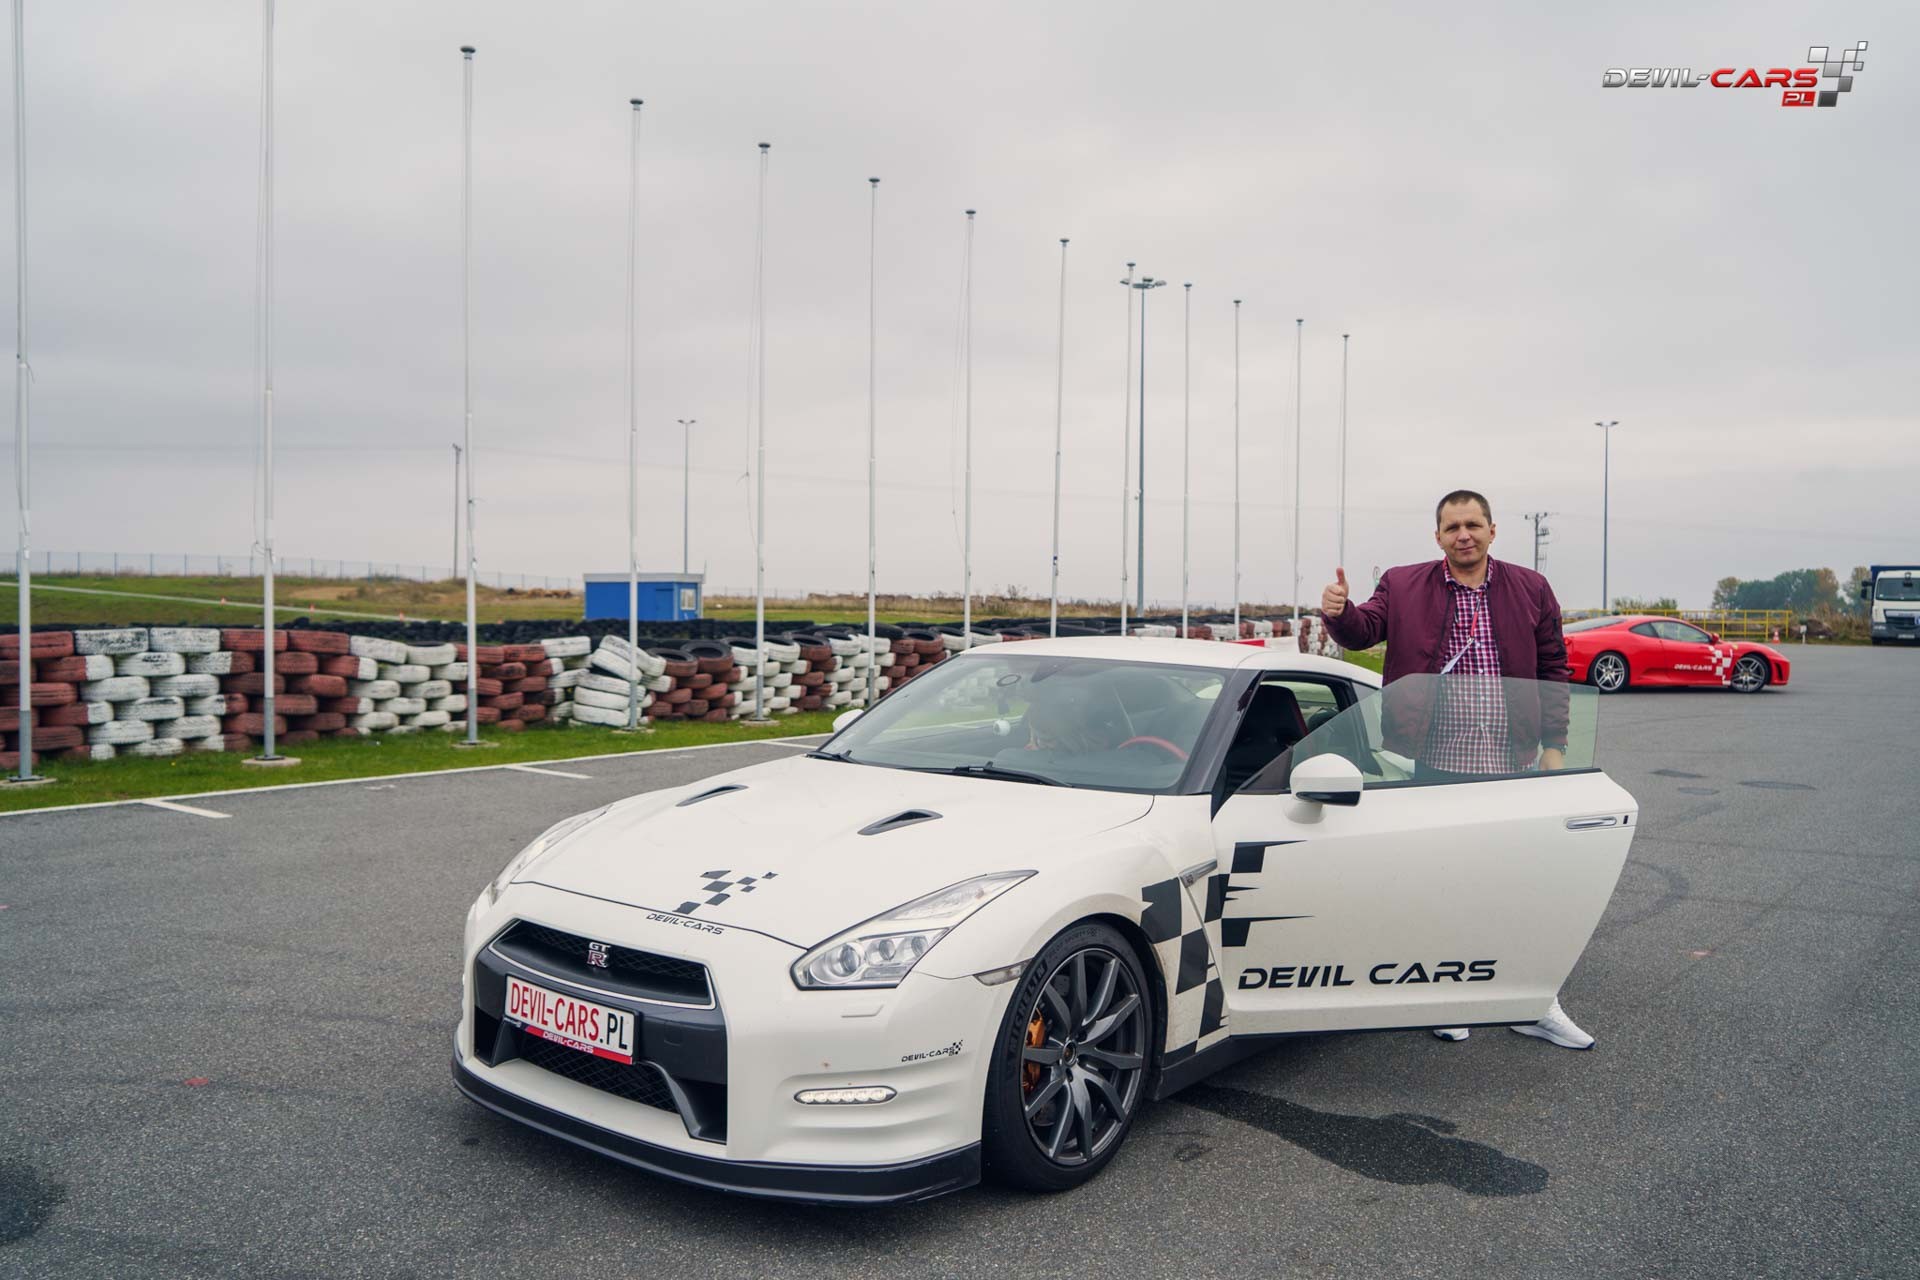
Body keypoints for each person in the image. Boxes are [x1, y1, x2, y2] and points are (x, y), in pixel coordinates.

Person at [1319, 488, 1593, 1051]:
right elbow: (1364, 631)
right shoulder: (1403, 584)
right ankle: (1449, 998)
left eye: (1472, 524)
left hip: (1512, 762)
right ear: (1438, 537)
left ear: (1492, 530)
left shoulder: (1531, 588)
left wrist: (1555, 746)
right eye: (1452, 527)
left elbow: (1552, 667)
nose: (1463, 535)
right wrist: (1339, 612)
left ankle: (1533, 1004)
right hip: (1436, 765)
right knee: (1446, 884)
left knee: (1521, 886)